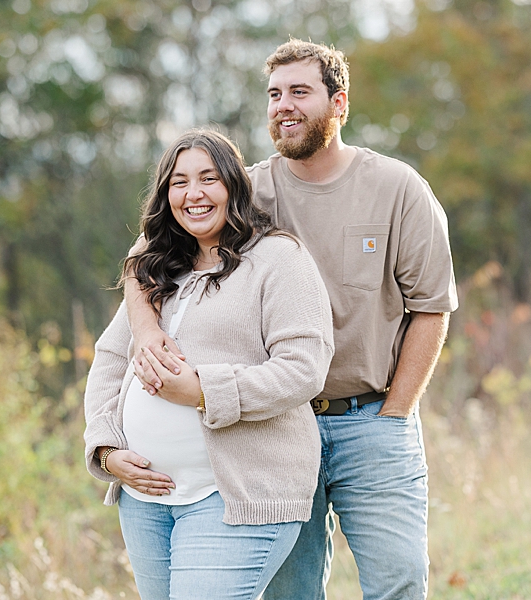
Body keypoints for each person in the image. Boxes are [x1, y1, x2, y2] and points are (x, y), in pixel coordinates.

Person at [127, 40, 459, 600]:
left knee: (398, 581)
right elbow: (145, 256)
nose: (284, 106)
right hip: (274, 428)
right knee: (290, 593)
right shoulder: (247, 190)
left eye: (300, 92)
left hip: (369, 417)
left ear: (339, 103)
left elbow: (431, 307)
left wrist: (395, 413)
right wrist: (145, 330)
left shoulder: (398, 189)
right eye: (275, 94)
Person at [84, 129, 335, 600]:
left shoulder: (279, 259)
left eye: (208, 179)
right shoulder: (160, 266)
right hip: (145, 501)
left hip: (236, 496)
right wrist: (105, 447)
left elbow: (304, 368)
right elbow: (112, 359)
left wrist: (203, 391)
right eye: (178, 183)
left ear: (234, 186)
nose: (193, 194)